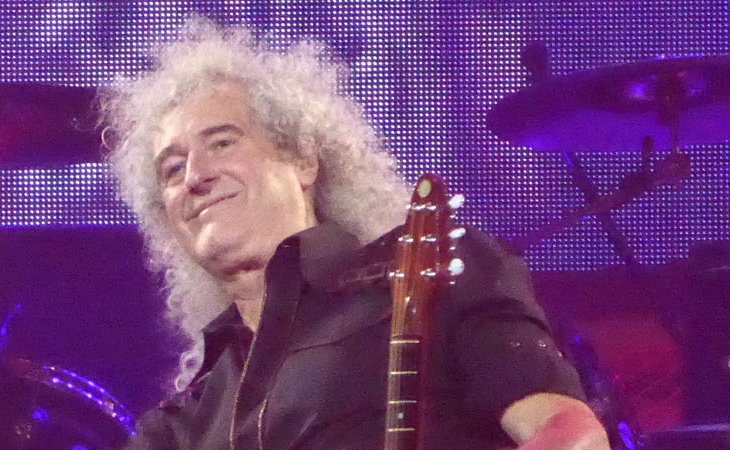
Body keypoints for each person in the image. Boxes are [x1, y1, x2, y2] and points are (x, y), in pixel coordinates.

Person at [101, 19, 609, 450]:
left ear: (303, 159)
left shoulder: (427, 273)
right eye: (172, 169)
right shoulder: (181, 425)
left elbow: (571, 435)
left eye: (222, 143)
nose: (195, 176)